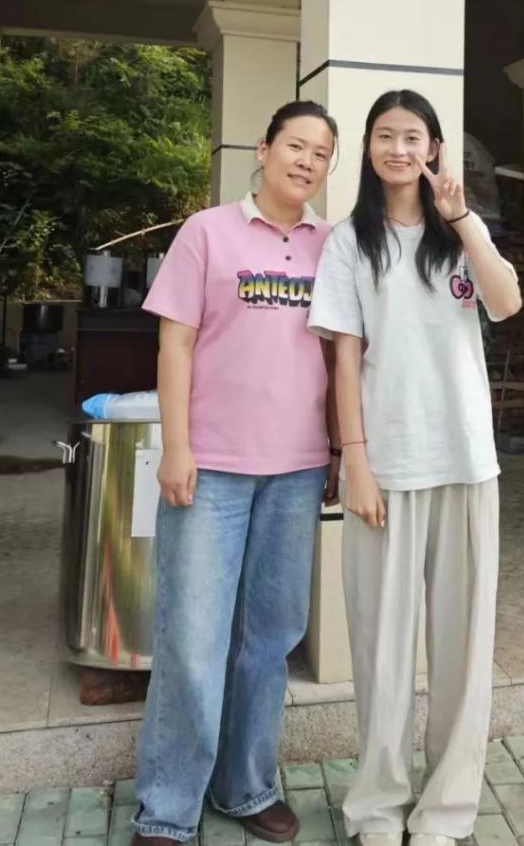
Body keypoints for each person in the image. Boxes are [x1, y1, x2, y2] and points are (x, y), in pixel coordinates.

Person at [308, 89, 521, 846]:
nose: (398, 149)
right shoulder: (348, 243)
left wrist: (463, 219)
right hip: (387, 470)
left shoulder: (459, 232)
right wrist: (354, 462)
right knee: (381, 650)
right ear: (369, 149)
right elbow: (345, 360)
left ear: (433, 148)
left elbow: (506, 302)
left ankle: (445, 811)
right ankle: (377, 807)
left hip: (466, 462)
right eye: (384, 136)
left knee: (463, 651)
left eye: (412, 137)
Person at [132, 100, 341, 846]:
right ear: (264, 149)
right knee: (192, 640)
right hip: (211, 468)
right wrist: (177, 446)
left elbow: (343, 356)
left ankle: (247, 786)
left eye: (322, 153)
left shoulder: (333, 247)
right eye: (296, 145)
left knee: (270, 639)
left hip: (296, 472)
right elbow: (175, 344)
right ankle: (167, 809)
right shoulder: (207, 232)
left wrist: (340, 451)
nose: (306, 161)